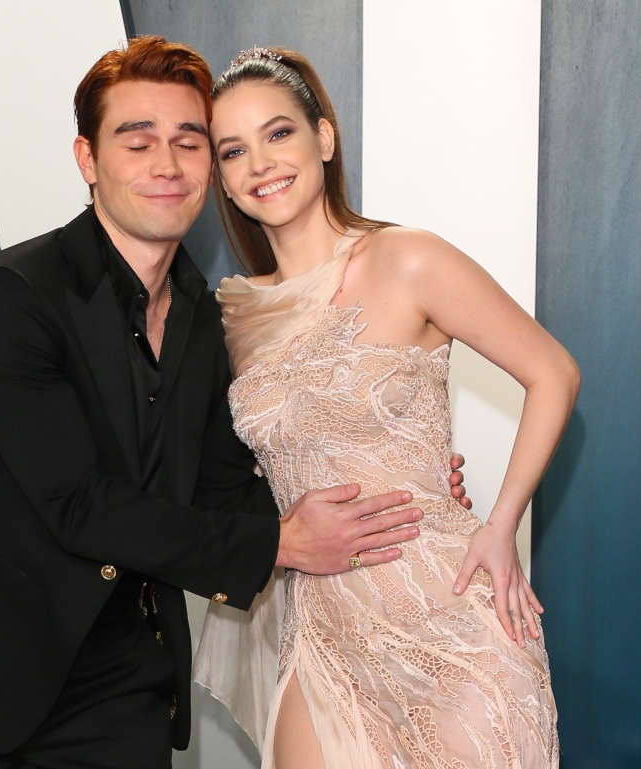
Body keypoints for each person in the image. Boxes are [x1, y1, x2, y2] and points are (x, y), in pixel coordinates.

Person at [0, 36, 468, 769]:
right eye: (137, 141)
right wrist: (282, 541)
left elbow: (223, 483)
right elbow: (78, 505)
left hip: (124, 694)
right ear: (88, 160)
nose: (167, 165)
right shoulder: (12, 298)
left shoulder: (208, 321)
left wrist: (382, 491)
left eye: (189, 143)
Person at [194, 46, 580, 769]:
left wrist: (501, 526)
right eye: (234, 150)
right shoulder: (235, 320)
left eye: (279, 133)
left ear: (324, 139)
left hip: (454, 629)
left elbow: (553, 370)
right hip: (324, 639)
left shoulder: (407, 259)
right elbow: (234, 478)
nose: (261, 164)